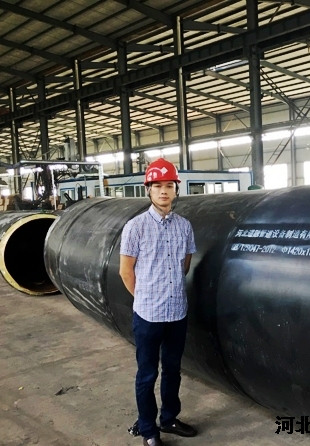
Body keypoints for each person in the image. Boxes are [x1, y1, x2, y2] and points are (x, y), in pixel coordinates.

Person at [119, 158, 197, 446]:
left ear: (176, 189)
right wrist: (145, 297)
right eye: (157, 186)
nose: (163, 191)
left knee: (173, 369)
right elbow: (126, 271)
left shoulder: (184, 226)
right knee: (147, 374)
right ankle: (148, 430)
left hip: (177, 313)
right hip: (148, 315)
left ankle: (169, 418)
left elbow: (184, 265)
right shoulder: (135, 227)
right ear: (148, 190)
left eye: (169, 186)